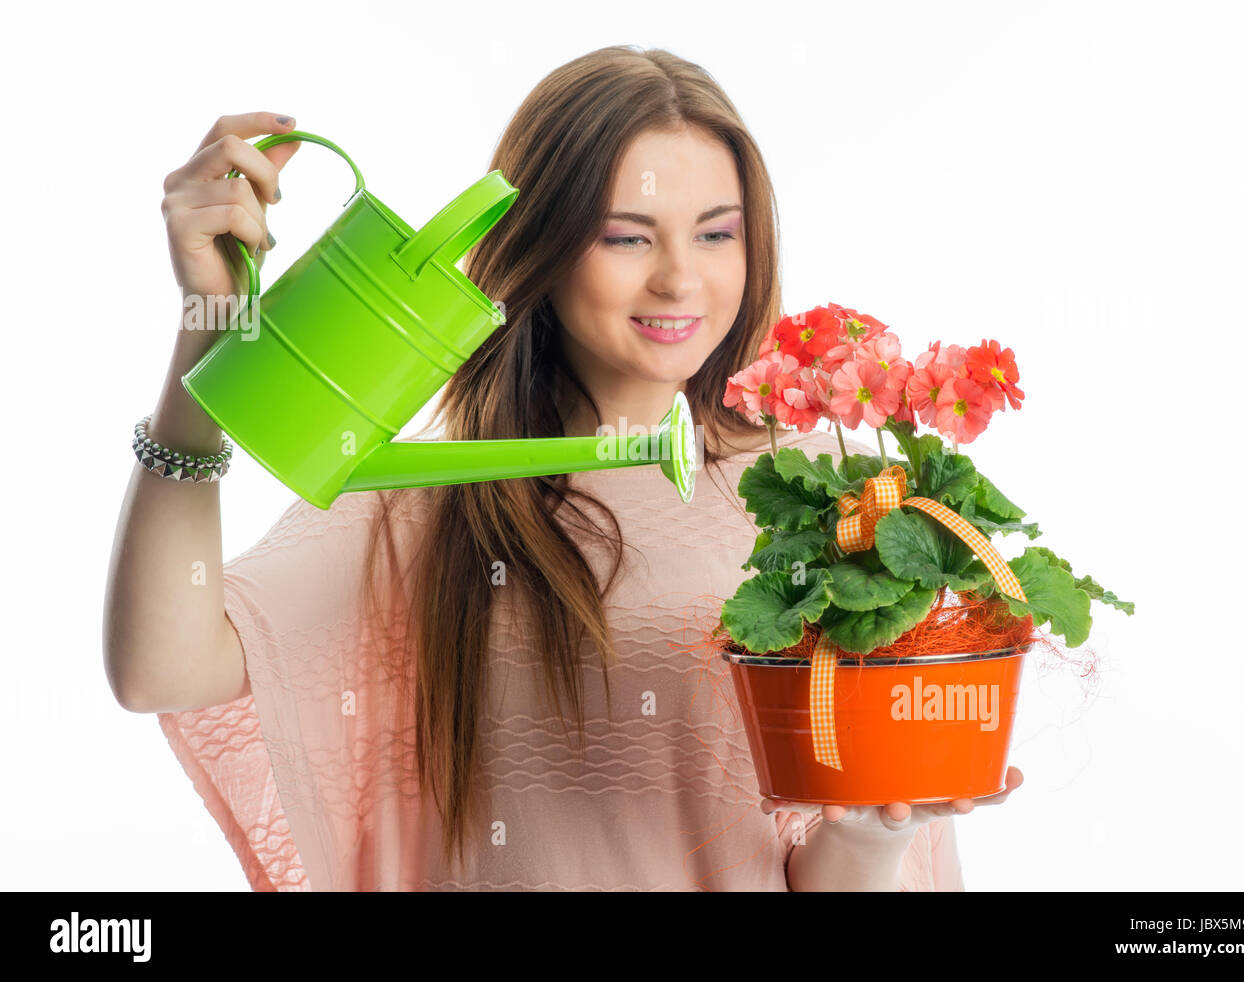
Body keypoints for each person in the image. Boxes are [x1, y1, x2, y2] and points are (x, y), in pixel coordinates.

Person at [103, 45, 1020, 891]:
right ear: (538, 246)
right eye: (626, 236)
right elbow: (162, 670)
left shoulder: (827, 496)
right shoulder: (434, 499)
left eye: (715, 233)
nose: (679, 280)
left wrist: (875, 828)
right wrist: (208, 336)